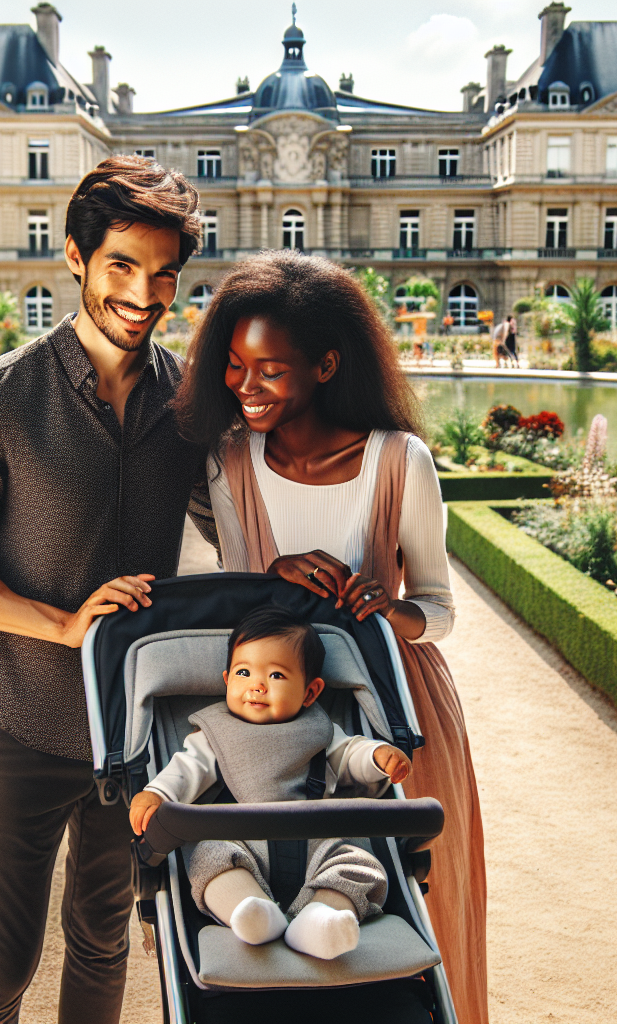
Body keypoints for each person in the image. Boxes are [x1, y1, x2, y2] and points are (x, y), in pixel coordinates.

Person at [0, 156, 218, 1024]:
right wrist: (62, 623)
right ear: (76, 257)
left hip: (138, 735)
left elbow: (238, 519)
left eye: (163, 274)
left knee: (104, 942)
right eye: (122, 265)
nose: (144, 293)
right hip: (23, 727)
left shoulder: (189, 407)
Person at [173, 250, 488, 1023]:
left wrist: (388, 606)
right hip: (265, 712)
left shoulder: (398, 461)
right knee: (260, 886)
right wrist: (271, 574)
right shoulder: (230, 459)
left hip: (393, 707)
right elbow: (233, 604)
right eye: (236, 368)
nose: (246, 388)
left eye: (270, 370)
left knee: (421, 895)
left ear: (325, 364)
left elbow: (440, 611)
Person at [130, 607, 412, 960]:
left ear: (310, 693)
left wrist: (378, 758)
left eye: (276, 675)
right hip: (240, 843)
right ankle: (252, 913)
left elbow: (351, 754)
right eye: (244, 672)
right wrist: (156, 793)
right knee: (208, 859)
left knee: (360, 867)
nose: (257, 685)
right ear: (227, 679)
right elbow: (187, 769)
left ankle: (320, 921)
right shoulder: (213, 734)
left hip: (317, 845)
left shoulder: (320, 731)